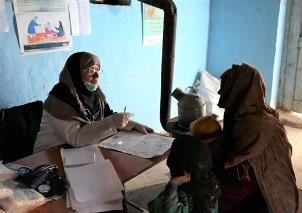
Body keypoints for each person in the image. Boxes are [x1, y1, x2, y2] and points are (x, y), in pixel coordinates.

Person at [216, 63, 299, 212]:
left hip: (270, 200)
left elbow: (240, 177)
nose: (221, 95)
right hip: (284, 195)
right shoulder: (258, 113)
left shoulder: (253, 125)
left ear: (238, 91)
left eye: (226, 90)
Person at [34, 52, 153, 153]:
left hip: (82, 148)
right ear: (75, 73)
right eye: (90, 71)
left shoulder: (94, 92)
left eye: (98, 70)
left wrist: (131, 125)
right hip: (51, 153)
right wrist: (112, 122)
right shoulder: (60, 98)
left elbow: (107, 115)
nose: (96, 75)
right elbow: (76, 138)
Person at [148, 134, 220, 213]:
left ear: (174, 162)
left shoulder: (183, 198)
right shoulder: (212, 182)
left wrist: (172, 185)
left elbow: (158, 208)